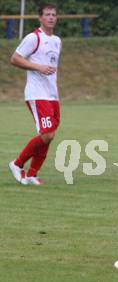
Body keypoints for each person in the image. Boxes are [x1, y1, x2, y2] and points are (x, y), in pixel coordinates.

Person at [8, 3, 62, 186]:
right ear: (40, 18)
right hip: (37, 93)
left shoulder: (57, 41)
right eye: (47, 14)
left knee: (50, 135)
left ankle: (32, 174)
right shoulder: (33, 38)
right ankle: (17, 164)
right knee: (46, 134)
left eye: (53, 14)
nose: (51, 17)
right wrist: (38, 67)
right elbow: (15, 58)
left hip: (52, 95)